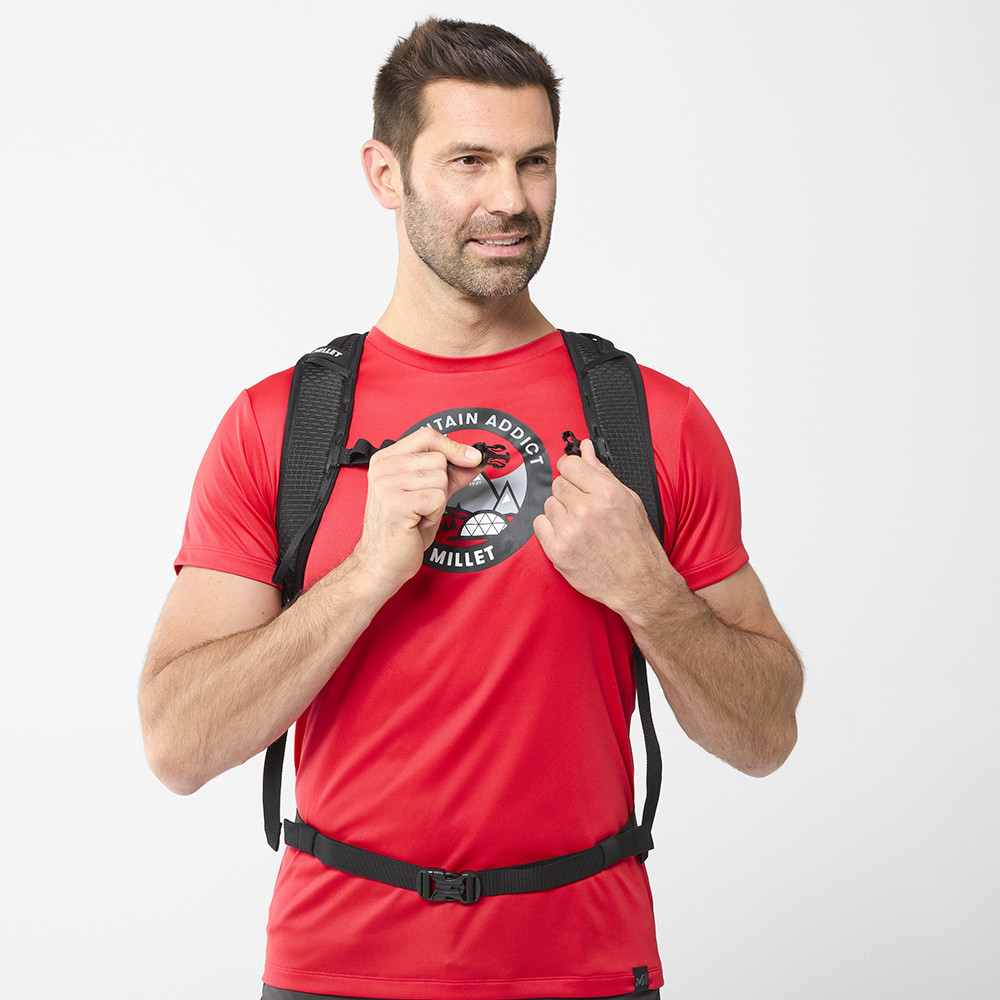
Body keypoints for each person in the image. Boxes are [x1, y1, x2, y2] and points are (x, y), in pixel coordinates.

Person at [139, 18, 803, 1000]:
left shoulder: (650, 419)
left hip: (583, 970)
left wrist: (646, 590)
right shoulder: (281, 426)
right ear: (385, 173)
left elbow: (765, 733)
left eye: (535, 162)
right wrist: (365, 574)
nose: (511, 199)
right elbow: (177, 745)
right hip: (338, 971)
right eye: (469, 161)